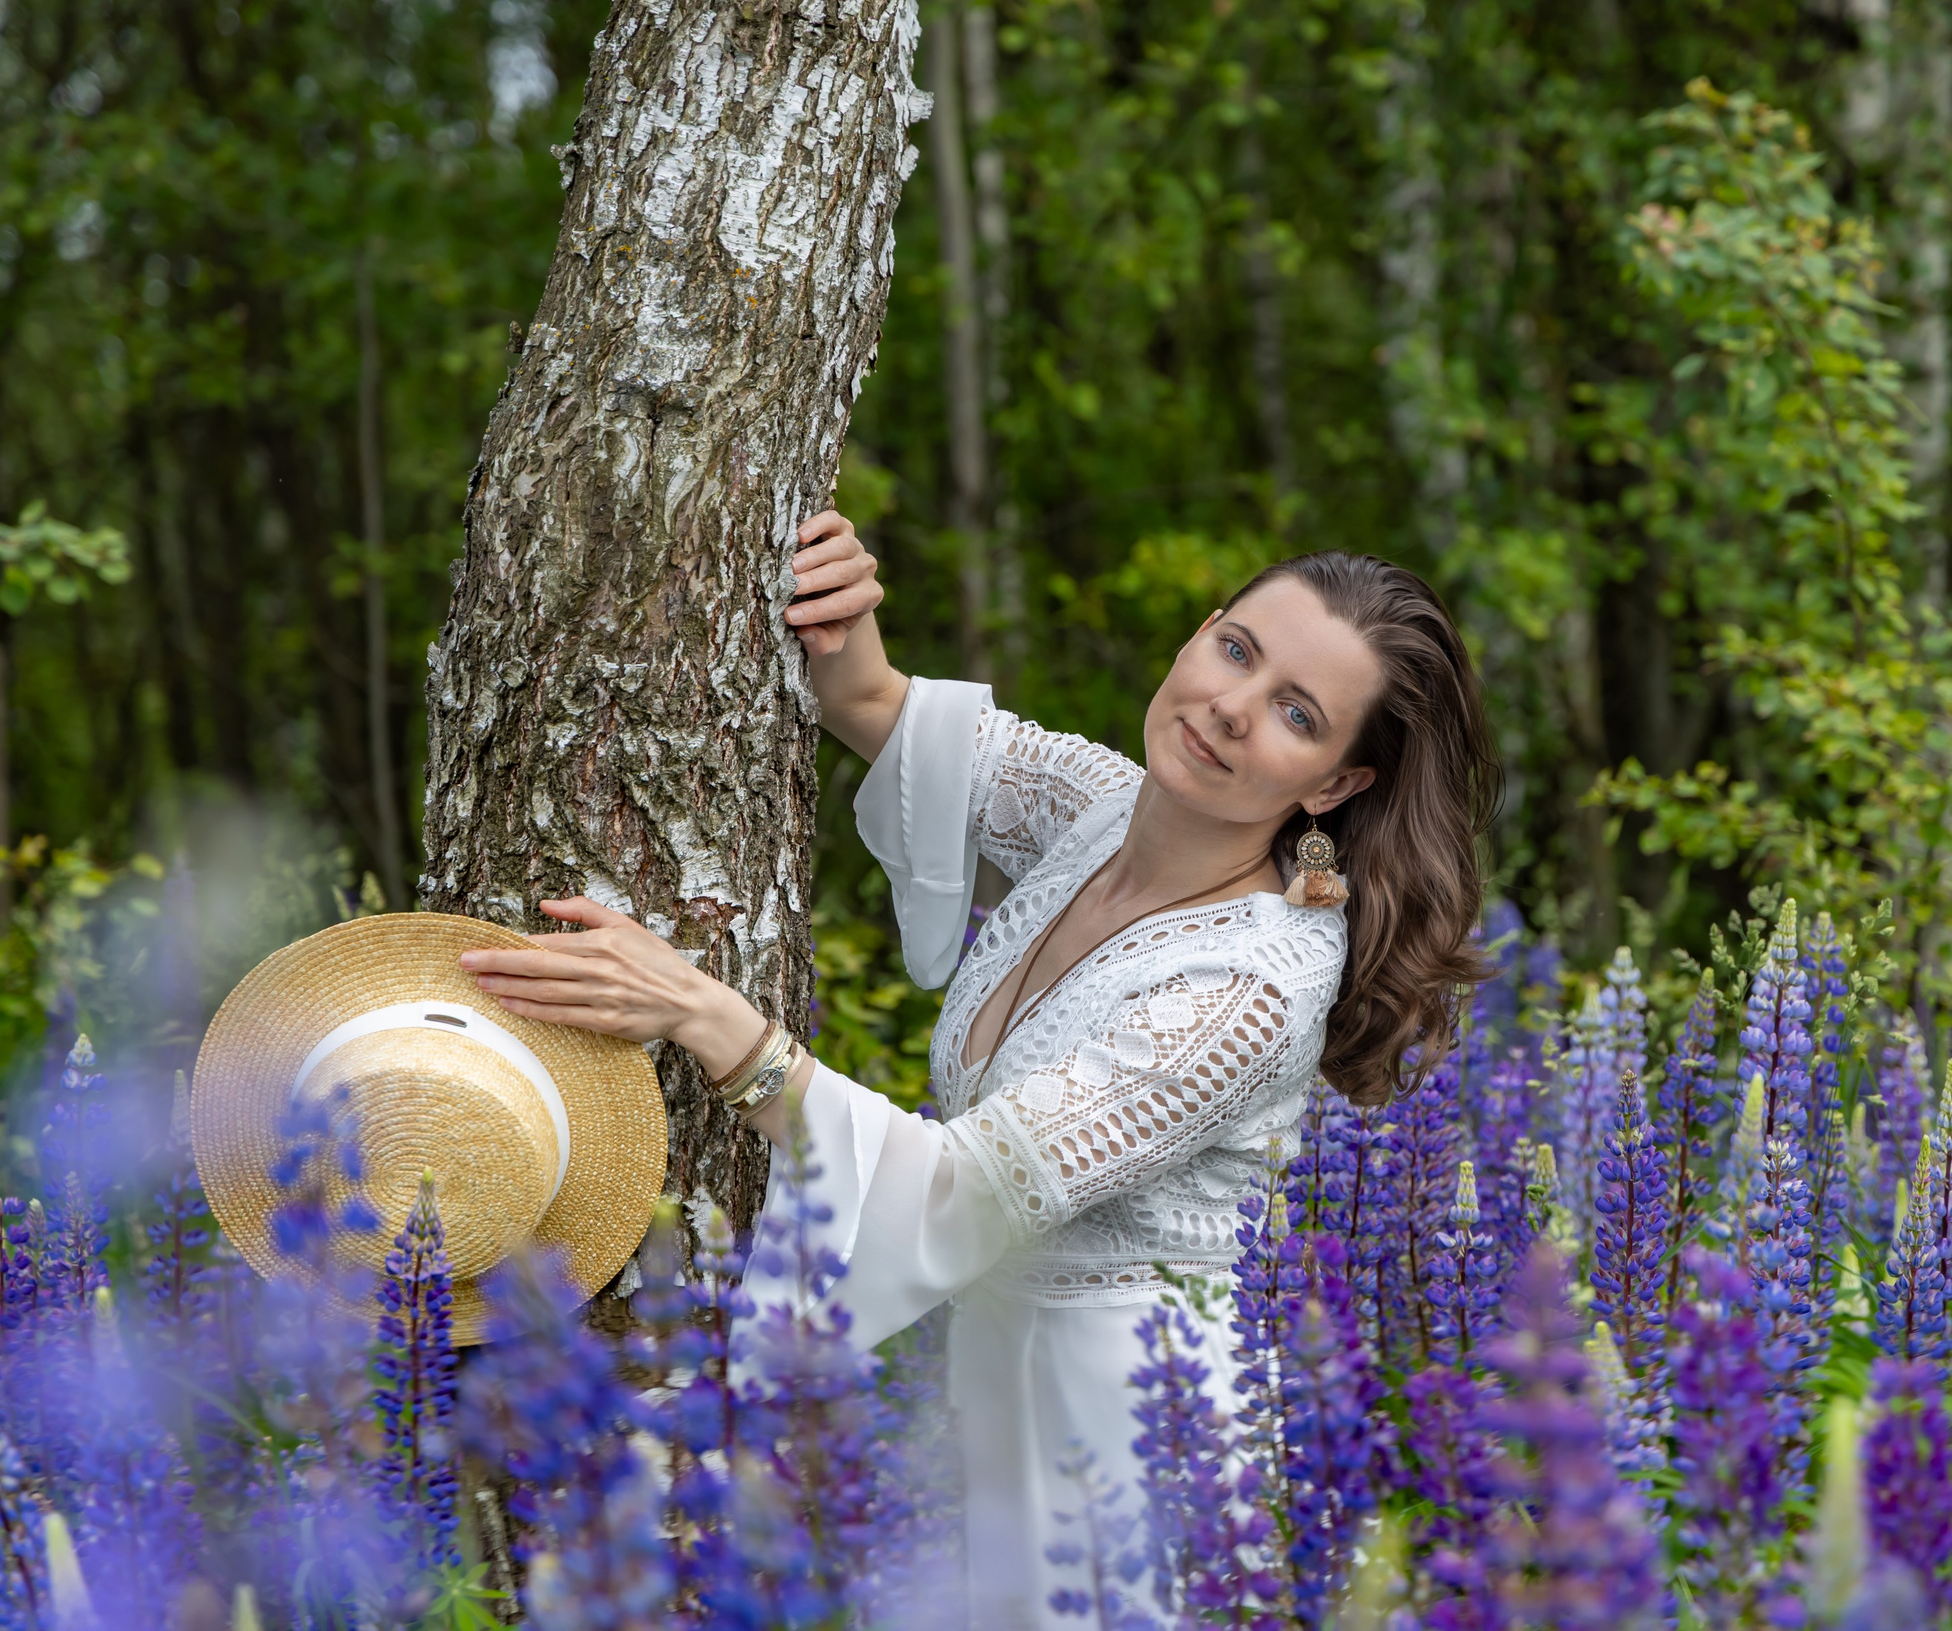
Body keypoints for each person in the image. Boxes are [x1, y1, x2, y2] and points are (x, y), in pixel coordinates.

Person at [458, 507, 1498, 1627]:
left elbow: (964, 1191)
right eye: (1235, 650)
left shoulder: (1251, 989)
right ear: (1198, 633)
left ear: (1336, 785)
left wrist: (706, 1017)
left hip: (1140, 1436)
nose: (1231, 710)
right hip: (980, 1388)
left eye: (1297, 715)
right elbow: (879, 710)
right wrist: (840, 609)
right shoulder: (1099, 811)